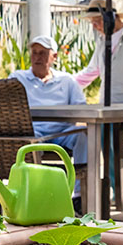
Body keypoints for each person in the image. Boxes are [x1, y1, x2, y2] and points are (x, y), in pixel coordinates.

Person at [74, 0, 123, 208]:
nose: (94, 25)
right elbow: (92, 71)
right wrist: (67, 84)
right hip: (105, 105)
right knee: (106, 149)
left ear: (111, 17)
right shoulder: (103, 39)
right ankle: (116, 193)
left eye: (97, 20)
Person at [10, 34, 87, 164]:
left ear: (54, 57)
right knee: (28, 139)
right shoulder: (17, 78)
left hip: (62, 133)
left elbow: (82, 110)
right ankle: (34, 182)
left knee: (84, 135)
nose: (37, 57)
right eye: (34, 53)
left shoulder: (67, 80)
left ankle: (82, 183)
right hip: (33, 131)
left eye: (42, 53)